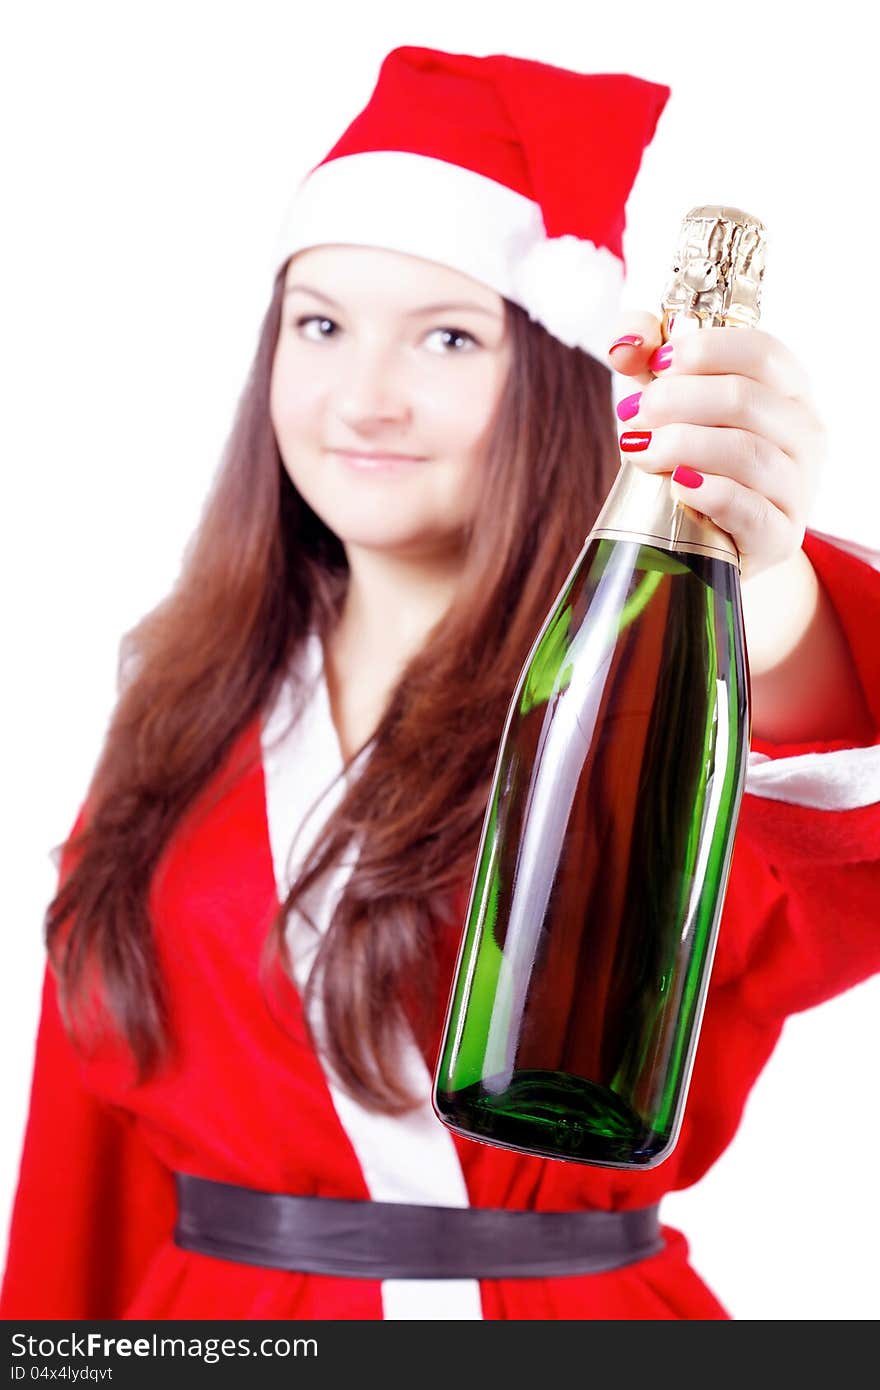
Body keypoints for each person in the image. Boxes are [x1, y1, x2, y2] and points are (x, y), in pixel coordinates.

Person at [1, 45, 878, 1323]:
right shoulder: (181, 700)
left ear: (564, 376)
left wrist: (769, 581)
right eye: (320, 325)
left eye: (451, 336)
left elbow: (835, 885)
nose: (362, 397)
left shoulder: (639, 693)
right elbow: (86, 1145)